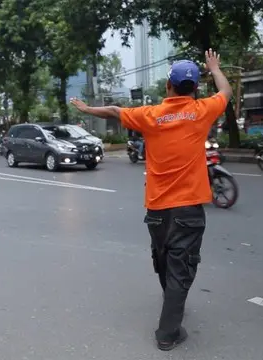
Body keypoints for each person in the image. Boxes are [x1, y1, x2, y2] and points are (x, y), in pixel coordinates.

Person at [70, 49, 232, 351]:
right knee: (181, 266)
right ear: (194, 89)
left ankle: (171, 297)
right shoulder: (202, 111)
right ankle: (168, 333)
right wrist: (214, 67)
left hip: (157, 208)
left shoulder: (151, 115)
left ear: (168, 86)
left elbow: (116, 111)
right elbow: (226, 90)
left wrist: (87, 109)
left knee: (164, 259)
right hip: (188, 209)